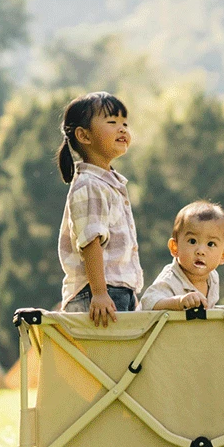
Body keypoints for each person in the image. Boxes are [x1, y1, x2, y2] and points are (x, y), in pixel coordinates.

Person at [56, 92, 143, 327]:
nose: (122, 129)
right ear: (84, 135)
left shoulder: (108, 184)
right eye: (112, 122)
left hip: (117, 292)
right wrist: (100, 293)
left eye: (125, 123)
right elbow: (90, 242)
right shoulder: (89, 185)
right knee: (104, 361)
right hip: (97, 293)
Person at [141, 201, 224, 310]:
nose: (201, 251)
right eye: (192, 241)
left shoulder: (213, 277)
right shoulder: (170, 279)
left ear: (223, 255)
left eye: (211, 244)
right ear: (175, 247)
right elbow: (148, 302)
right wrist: (178, 302)